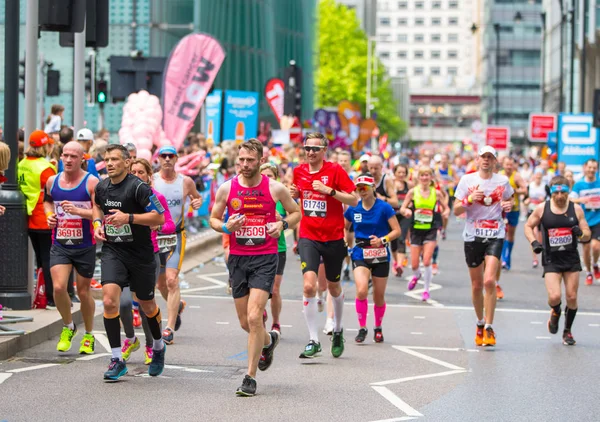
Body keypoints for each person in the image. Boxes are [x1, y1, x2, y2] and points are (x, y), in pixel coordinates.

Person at [209, 139, 301, 396]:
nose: (245, 165)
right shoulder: (227, 188)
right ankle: (269, 341)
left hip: (265, 257)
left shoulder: (275, 188)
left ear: (261, 160)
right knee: (244, 322)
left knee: (254, 316)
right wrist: (225, 227)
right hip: (238, 258)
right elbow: (214, 219)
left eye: (250, 160)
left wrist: (281, 225)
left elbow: (296, 214)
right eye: (241, 160)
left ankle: (249, 376)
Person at [92, 144, 167, 381]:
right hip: (114, 250)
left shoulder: (139, 188)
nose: (110, 163)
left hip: (141, 254)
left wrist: (129, 217)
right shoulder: (102, 187)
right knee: (109, 301)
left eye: (115, 159)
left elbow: (160, 216)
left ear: (127, 162)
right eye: (107, 160)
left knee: (147, 305)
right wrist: (96, 225)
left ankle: (157, 346)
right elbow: (96, 206)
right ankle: (117, 359)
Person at [290, 132, 358, 359]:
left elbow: (353, 199)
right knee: (309, 287)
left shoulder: (335, 171)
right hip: (309, 236)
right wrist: (294, 194)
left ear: (324, 151)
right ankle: (313, 340)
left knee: (334, 287)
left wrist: (329, 191)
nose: (310, 152)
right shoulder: (298, 171)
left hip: (333, 238)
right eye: (307, 148)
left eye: (315, 149)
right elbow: (296, 200)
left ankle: (338, 330)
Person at [453, 146, 514, 347]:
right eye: (483, 157)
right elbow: (455, 210)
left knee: (489, 281)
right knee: (477, 285)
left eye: (490, 157)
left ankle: (489, 327)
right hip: (472, 236)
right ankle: (479, 323)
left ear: (495, 161)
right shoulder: (467, 181)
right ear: (477, 160)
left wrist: (509, 206)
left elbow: (510, 200)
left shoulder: (503, 181)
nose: (486, 160)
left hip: (495, 234)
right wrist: (469, 199)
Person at [44, 141, 99, 354]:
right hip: (60, 243)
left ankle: (89, 334)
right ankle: (68, 326)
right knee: (58, 287)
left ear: (82, 159)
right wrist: (50, 216)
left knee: (83, 292)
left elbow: (99, 212)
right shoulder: (52, 181)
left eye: (73, 156)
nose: (68, 160)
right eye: (65, 155)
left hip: (85, 244)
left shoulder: (91, 182)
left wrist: (78, 211)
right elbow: (47, 203)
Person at [120, 158, 175, 365]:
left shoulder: (155, 197)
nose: (136, 175)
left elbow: (168, 223)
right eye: (132, 172)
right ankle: (130, 338)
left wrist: (157, 227)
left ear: (149, 176)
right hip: (123, 253)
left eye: (140, 172)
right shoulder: (123, 195)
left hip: (147, 255)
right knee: (123, 303)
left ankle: (151, 345)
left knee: (145, 305)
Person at [525, 177, 590, 346]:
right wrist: (534, 242)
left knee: (572, 296)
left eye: (563, 192)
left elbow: (587, 232)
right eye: (557, 192)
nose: (560, 196)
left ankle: (567, 331)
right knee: (554, 296)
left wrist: (580, 233)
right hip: (551, 259)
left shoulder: (576, 209)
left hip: (571, 258)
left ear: (568, 192)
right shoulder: (542, 209)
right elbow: (528, 226)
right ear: (551, 192)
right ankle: (555, 311)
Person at [153, 145, 203, 344]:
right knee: (160, 284)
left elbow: (197, 198)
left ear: (176, 158)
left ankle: (169, 328)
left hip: (175, 236)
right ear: (158, 159)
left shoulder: (186, 181)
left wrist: (196, 203)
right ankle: (178, 305)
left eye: (170, 156)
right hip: (156, 237)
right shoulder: (152, 181)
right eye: (163, 156)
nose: (167, 159)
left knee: (172, 280)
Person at [344, 173, 400, 343]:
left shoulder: (384, 208)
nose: (362, 191)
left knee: (378, 296)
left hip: (380, 253)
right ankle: (362, 328)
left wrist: (383, 239)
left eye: (365, 187)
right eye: (358, 188)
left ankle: (378, 327)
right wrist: (346, 245)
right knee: (361, 290)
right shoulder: (354, 208)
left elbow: (397, 230)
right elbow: (343, 228)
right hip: (360, 252)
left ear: (373, 187)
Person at [18, 130, 58, 307]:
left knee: (40, 261)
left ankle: (42, 294)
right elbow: (54, 190)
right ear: (44, 146)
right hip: (44, 216)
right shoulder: (45, 167)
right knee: (49, 259)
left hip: (28, 215)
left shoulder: (22, 163)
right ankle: (50, 297)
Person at [400, 166, 449, 301]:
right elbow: (403, 207)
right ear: (418, 177)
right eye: (422, 175)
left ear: (431, 177)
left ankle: (426, 290)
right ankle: (417, 275)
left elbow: (446, 208)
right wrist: (407, 211)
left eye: (427, 175)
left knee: (427, 261)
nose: (424, 178)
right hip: (415, 230)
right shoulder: (412, 192)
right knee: (415, 264)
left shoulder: (436, 193)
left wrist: (445, 213)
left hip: (431, 229)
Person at [260, 163, 288, 334]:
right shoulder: (254, 194)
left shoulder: (280, 194)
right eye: (264, 175)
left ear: (276, 177)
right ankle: (260, 311)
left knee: (275, 289)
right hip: (258, 247)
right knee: (260, 288)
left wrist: (281, 220)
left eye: (270, 175)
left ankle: (276, 322)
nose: (267, 179)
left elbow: (294, 215)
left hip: (278, 247)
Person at [569, 159, 600, 285]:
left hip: (598, 219)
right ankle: (588, 272)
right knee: (586, 249)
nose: (592, 170)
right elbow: (571, 199)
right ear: (585, 168)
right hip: (584, 221)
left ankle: (595, 264)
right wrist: (582, 200)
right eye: (590, 167)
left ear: (597, 169)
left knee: (596, 246)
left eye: (594, 168)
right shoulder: (579, 185)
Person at [499, 157, 527, 271]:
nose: (509, 167)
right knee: (501, 234)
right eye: (507, 164)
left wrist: (514, 191)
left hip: (513, 208)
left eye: (510, 165)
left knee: (510, 234)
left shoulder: (516, 176)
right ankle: (501, 259)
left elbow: (524, 189)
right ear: (503, 165)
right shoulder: (499, 175)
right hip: (500, 209)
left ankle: (507, 258)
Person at [392, 163, 413, 276]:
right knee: (393, 241)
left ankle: (400, 264)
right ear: (394, 173)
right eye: (399, 172)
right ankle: (395, 261)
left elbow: (413, 198)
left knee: (401, 237)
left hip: (405, 215)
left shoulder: (409, 185)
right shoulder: (390, 184)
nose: (401, 174)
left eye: (403, 173)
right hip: (392, 215)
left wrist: (408, 207)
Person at [524, 169, 547, 268]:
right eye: (536, 176)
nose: (538, 178)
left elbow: (550, 199)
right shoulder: (530, 186)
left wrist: (544, 200)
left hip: (542, 212)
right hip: (532, 212)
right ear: (534, 176)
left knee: (541, 236)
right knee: (533, 235)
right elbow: (525, 199)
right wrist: (527, 201)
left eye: (539, 176)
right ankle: (535, 258)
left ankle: (543, 253)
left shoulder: (545, 186)